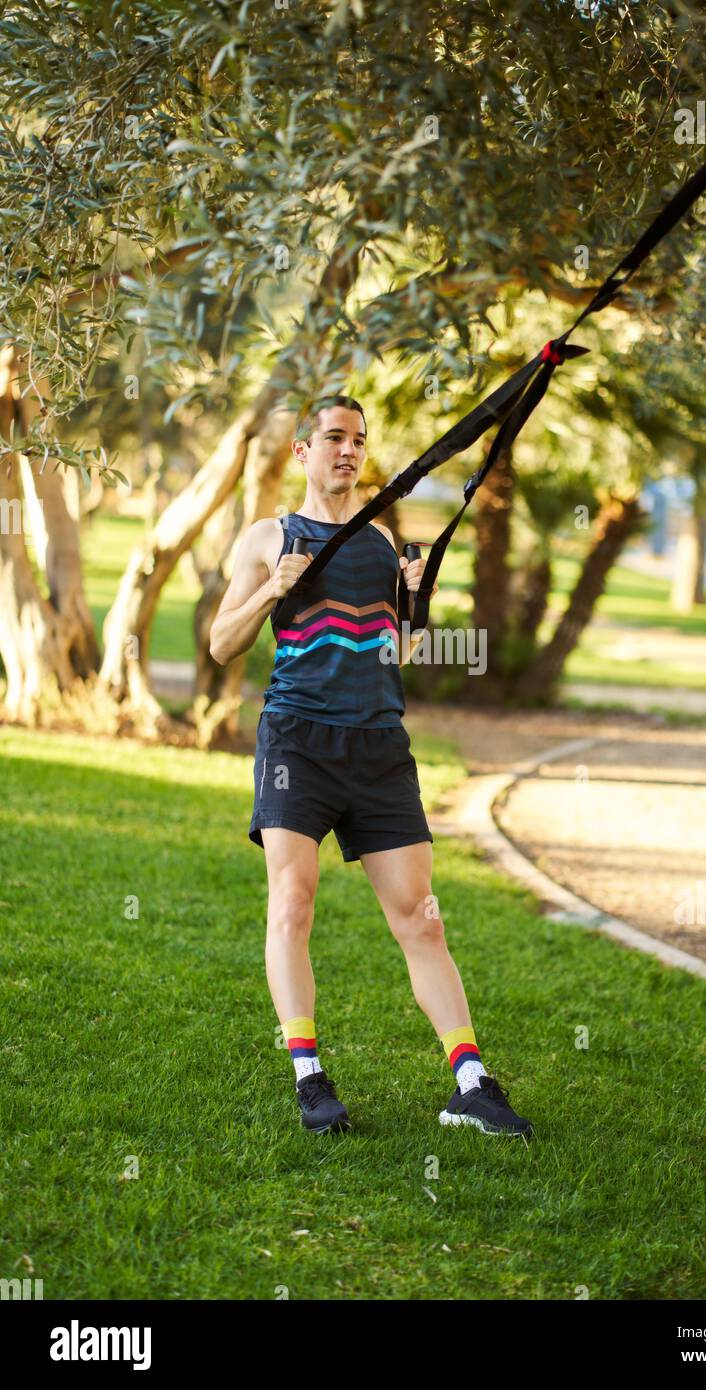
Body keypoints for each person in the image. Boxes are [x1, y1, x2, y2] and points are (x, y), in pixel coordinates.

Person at [210, 396, 532, 1138]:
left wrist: (416, 604)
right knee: (293, 900)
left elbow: (399, 653)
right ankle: (310, 1077)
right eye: (333, 438)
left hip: (380, 746)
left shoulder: (384, 541)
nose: (348, 451)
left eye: (358, 440)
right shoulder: (270, 536)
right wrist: (271, 588)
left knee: (422, 919)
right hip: (298, 741)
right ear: (302, 452)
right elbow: (222, 645)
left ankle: (472, 1084)